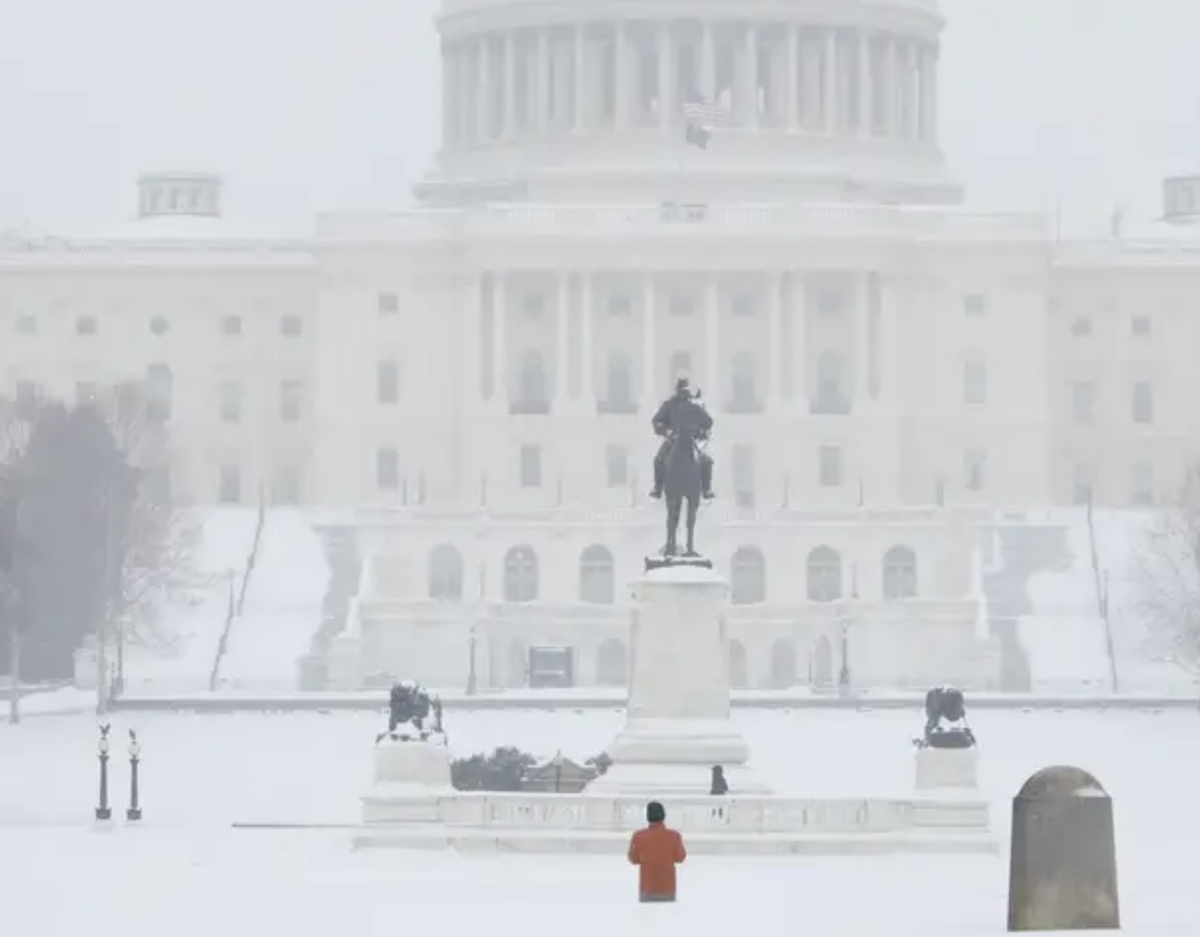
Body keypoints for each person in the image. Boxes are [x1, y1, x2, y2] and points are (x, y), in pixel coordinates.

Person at [649, 377, 715, 500]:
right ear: (678, 390)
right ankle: (657, 488)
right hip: (673, 439)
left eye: (686, 390)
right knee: (659, 460)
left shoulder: (694, 406)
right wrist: (665, 431)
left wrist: (700, 432)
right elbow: (657, 420)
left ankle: (707, 489)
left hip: (691, 440)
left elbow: (708, 421)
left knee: (706, 460)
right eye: (682, 390)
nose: (684, 392)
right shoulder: (669, 405)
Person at [627, 801, 687, 902]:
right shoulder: (674, 836)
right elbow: (680, 858)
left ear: (648, 817)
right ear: (663, 816)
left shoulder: (638, 836)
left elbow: (633, 859)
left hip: (647, 889)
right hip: (668, 889)